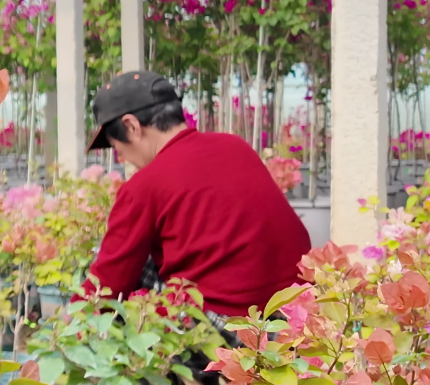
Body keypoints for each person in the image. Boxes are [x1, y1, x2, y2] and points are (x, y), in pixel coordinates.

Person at [81, 71, 311, 320]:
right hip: (293, 316)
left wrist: (67, 328)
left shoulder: (144, 186)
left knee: (125, 283)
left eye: (118, 147)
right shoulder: (235, 146)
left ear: (132, 126)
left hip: (227, 326)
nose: (123, 158)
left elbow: (107, 283)